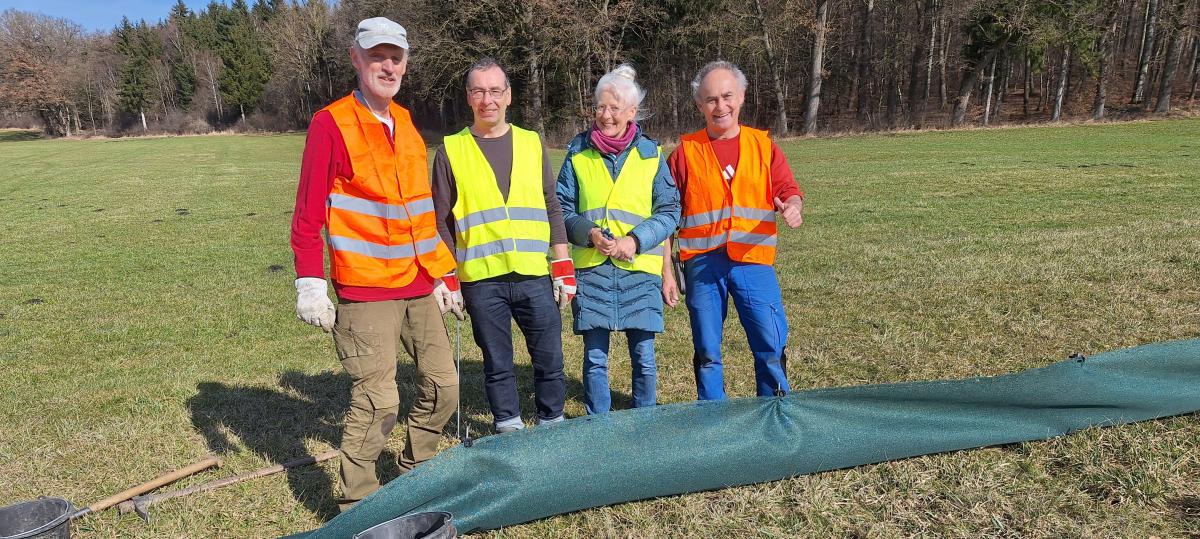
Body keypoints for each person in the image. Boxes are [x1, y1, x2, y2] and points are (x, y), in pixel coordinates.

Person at [289, 17, 463, 511]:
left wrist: (444, 276)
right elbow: (307, 215)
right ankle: (361, 503)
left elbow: (421, 212)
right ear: (355, 59)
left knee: (445, 384)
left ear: (406, 63)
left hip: (417, 282)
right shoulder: (331, 123)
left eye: (396, 57)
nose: (387, 66)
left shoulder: (406, 123)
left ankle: (416, 471)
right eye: (377, 56)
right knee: (378, 401)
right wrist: (309, 283)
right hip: (365, 290)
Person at [430, 58, 570, 433]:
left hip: (533, 275)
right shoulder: (450, 150)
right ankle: (508, 426)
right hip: (481, 279)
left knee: (549, 357)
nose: (487, 99)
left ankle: (553, 423)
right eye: (479, 91)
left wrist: (564, 267)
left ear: (508, 96)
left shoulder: (531, 142)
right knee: (497, 361)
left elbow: (550, 204)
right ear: (468, 98)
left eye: (495, 90)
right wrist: (447, 278)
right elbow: (441, 220)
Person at [667, 60, 805, 401]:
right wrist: (666, 272)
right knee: (707, 349)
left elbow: (788, 188)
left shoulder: (764, 146)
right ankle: (714, 417)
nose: (720, 106)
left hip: (753, 262)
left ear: (741, 97)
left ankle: (774, 409)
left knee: (771, 342)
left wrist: (793, 206)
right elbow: (666, 214)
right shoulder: (685, 153)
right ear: (699, 105)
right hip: (702, 265)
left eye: (727, 96)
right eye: (711, 99)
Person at [556, 64, 680, 414]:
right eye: (599, 107)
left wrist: (636, 241)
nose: (605, 115)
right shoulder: (577, 152)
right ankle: (600, 425)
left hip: (639, 270)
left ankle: (645, 418)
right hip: (592, 270)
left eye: (614, 108)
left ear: (631, 112)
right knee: (595, 358)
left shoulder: (651, 154)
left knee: (644, 356)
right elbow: (561, 208)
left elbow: (670, 210)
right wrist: (589, 233)